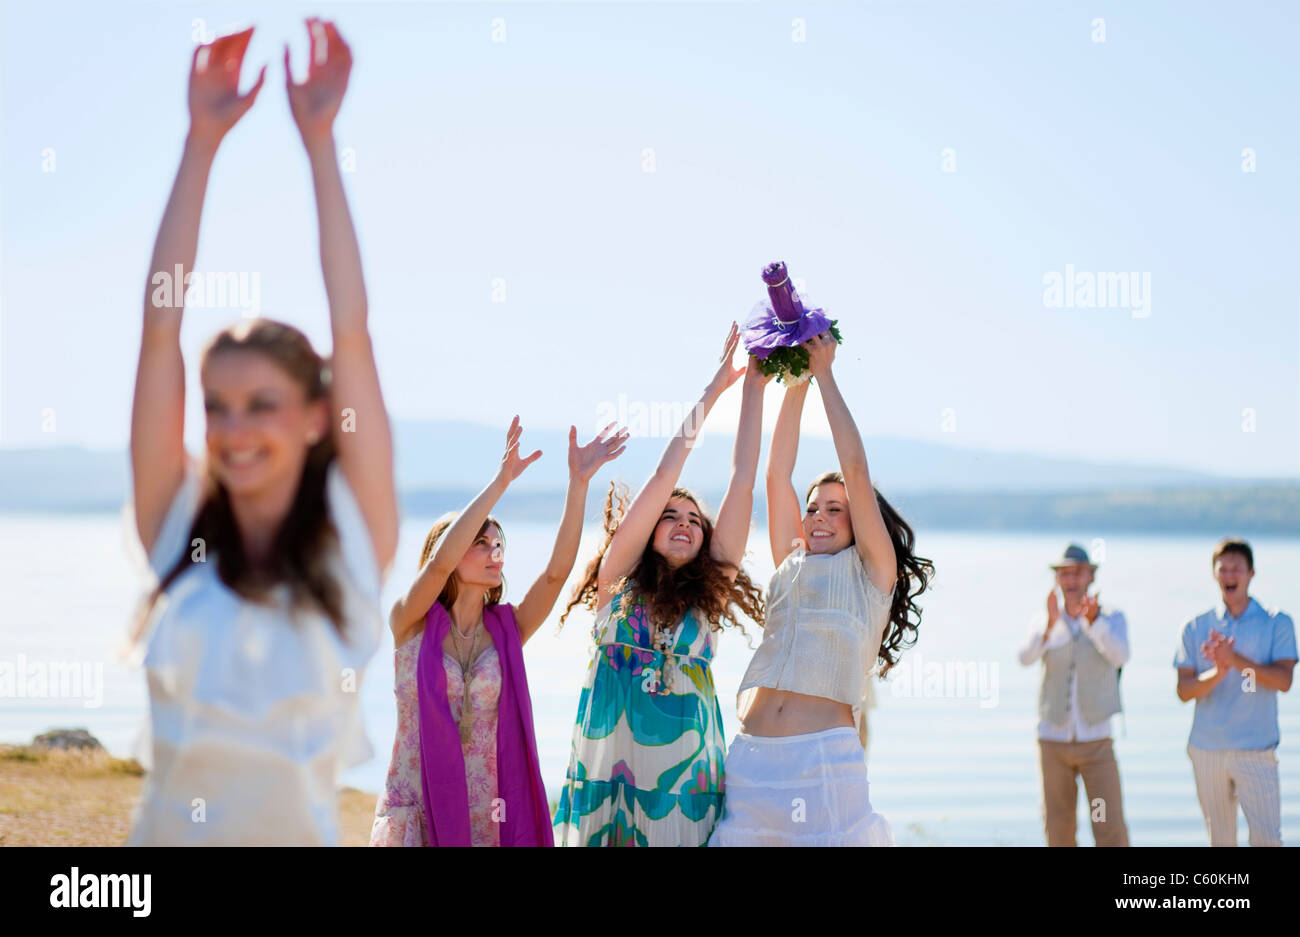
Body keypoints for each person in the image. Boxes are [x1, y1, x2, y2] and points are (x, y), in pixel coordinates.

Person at [127, 21, 398, 845]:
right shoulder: (176, 528)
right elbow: (158, 333)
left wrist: (320, 144)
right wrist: (199, 143)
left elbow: (351, 330)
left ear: (319, 416)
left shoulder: (354, 537)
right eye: (218, 405)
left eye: (262, 403)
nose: (234, 430)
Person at [710, 330, 933, 847]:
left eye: (836, 509)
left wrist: (826, 374)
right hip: (750, 761)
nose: (818, 516)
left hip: (822, 764)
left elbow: (855, 469)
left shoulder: (871, 575)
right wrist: (797, 378)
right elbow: (775, 475)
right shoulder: (790, 563)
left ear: (861, 523)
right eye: (813, 507)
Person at [552, 324, 767, 846]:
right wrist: (715, 387)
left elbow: (743, 478)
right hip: (609, 779)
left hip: (686, 788)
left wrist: (754, 387)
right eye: (669, 515)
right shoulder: (616, 581)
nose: (684, 523)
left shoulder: (709, 598)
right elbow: (665, 471)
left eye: (694, 519)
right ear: (646, 532)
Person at [369, 418, 626, 846]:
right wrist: (501, 482)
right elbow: (439, 567)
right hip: (417, 804)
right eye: (479, 543)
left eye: (498, 545)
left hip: (487, 811)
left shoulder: (506, 631)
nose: (494, 553)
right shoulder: (409, 621)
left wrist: (578, 483)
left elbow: (555, 575)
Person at [1175, 538, 1295, 847]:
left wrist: (1235, 661)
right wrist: (1219, 671)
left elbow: (1283, 680)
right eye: (1223, 569)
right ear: (1215, 574)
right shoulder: (1195, 626)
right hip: (1207, 749)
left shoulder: (1277, 622)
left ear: (1251, 573)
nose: (1230, 575)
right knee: (1220, 842)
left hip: (1257, 748)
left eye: (1236, 568)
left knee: (1268, 840)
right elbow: (1184, 691)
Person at [1017, 544, 1131, 847]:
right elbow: (1025, 658)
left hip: (1097, 740)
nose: (1071, 580)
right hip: (1052, 740)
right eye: (1064, 573)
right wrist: (1050, 626)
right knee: (1058, 827)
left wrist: (1094, 623)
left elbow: (1120, 656)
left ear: (1090, 577)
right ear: (1057, 579)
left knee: (1109, 827)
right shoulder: (1044, 621)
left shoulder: (1112, 617)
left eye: (1077, 573)